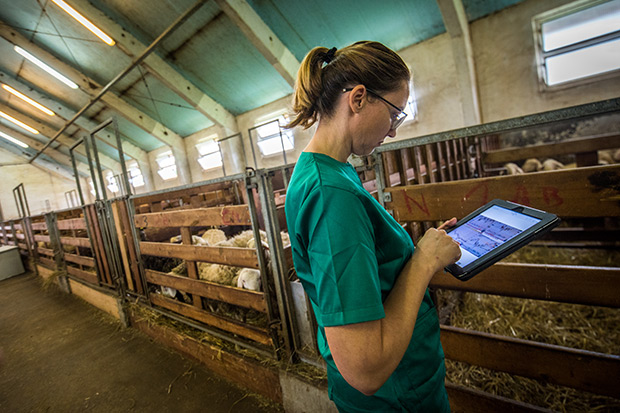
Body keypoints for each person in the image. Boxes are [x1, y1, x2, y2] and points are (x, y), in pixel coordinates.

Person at [284, 41, 462, 412]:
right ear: (359, 99)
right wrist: (423, 262)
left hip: (403, 389)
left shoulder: (327, 173)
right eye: (396, 114)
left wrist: (422, 251)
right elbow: (365, 369)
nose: (394, 131)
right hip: (395, 398)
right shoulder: (331, 192)